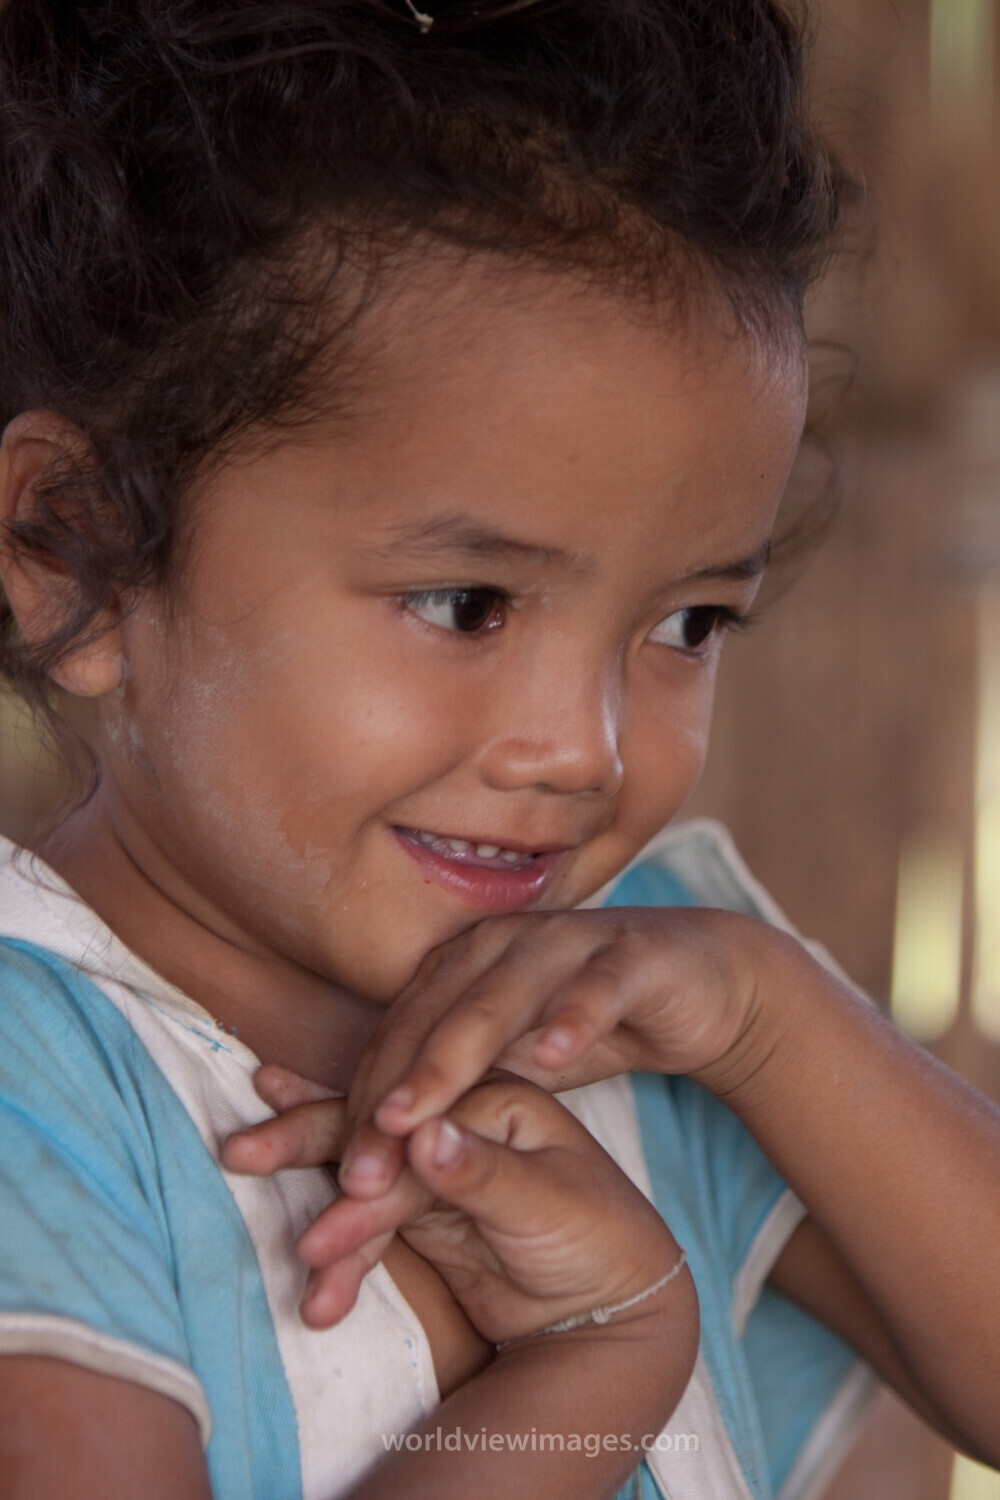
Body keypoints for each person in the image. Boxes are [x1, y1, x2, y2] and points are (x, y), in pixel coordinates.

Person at [4, 1, 990, 1498]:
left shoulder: (649, 1010)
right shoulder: (39, 1092)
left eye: (691, 625)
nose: (583, 752)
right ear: (73, 549)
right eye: (467, 604)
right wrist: (596, 1359)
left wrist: (764, 1018)